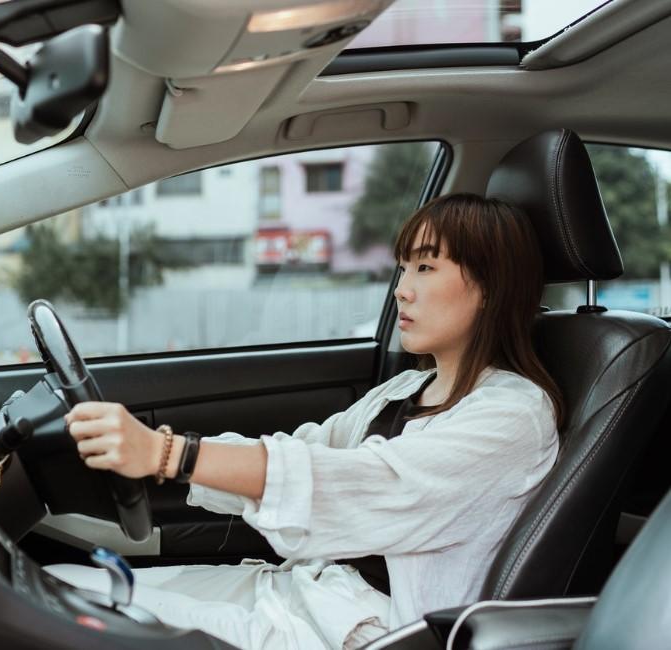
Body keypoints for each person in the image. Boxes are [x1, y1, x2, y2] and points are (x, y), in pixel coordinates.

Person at [47, 193, 564, 649]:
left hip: (357, 631)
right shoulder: (408, 388)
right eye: (403, 269)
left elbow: (354, 484)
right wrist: (162, 463)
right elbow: (309, 448)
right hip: (305, 592)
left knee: (54, 616)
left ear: (491, 286)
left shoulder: (513, 416)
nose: (401, 290)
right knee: (54, 584)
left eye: (425, 269)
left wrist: (168, 453)